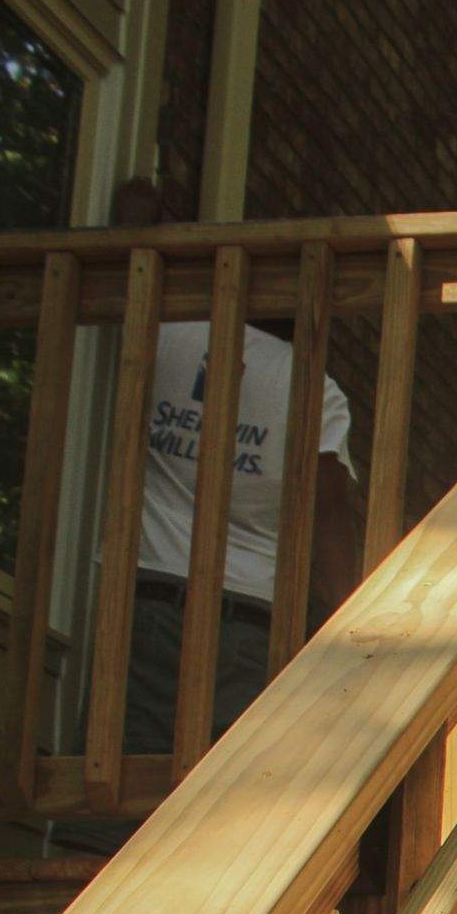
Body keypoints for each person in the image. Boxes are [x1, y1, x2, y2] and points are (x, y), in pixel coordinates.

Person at [59, 176, 366, 849]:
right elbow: (329, 514)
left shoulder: (169, 335)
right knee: (225, 814)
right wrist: (355, 628)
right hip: (250, 626)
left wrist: (140, 215)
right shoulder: (313, 387)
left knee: (114, 793)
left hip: (143, 604)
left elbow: (125, 268)